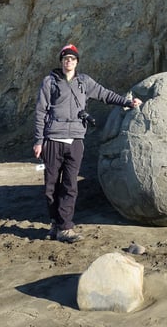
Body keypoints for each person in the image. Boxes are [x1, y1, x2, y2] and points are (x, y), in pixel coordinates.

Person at [33, 43, 142, 243]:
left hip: (75, 140)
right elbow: (40, 111)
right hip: (53, 139)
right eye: (66, 58)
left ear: (77, 62)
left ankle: (66, 227)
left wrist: (127, 102)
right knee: (50, 187)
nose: (69, 61)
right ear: (61, 61)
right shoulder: (50, 82)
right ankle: (56, 223)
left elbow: (105, 94)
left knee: (70, 185)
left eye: (72, 58)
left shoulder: (84, 82)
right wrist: (39, 141)